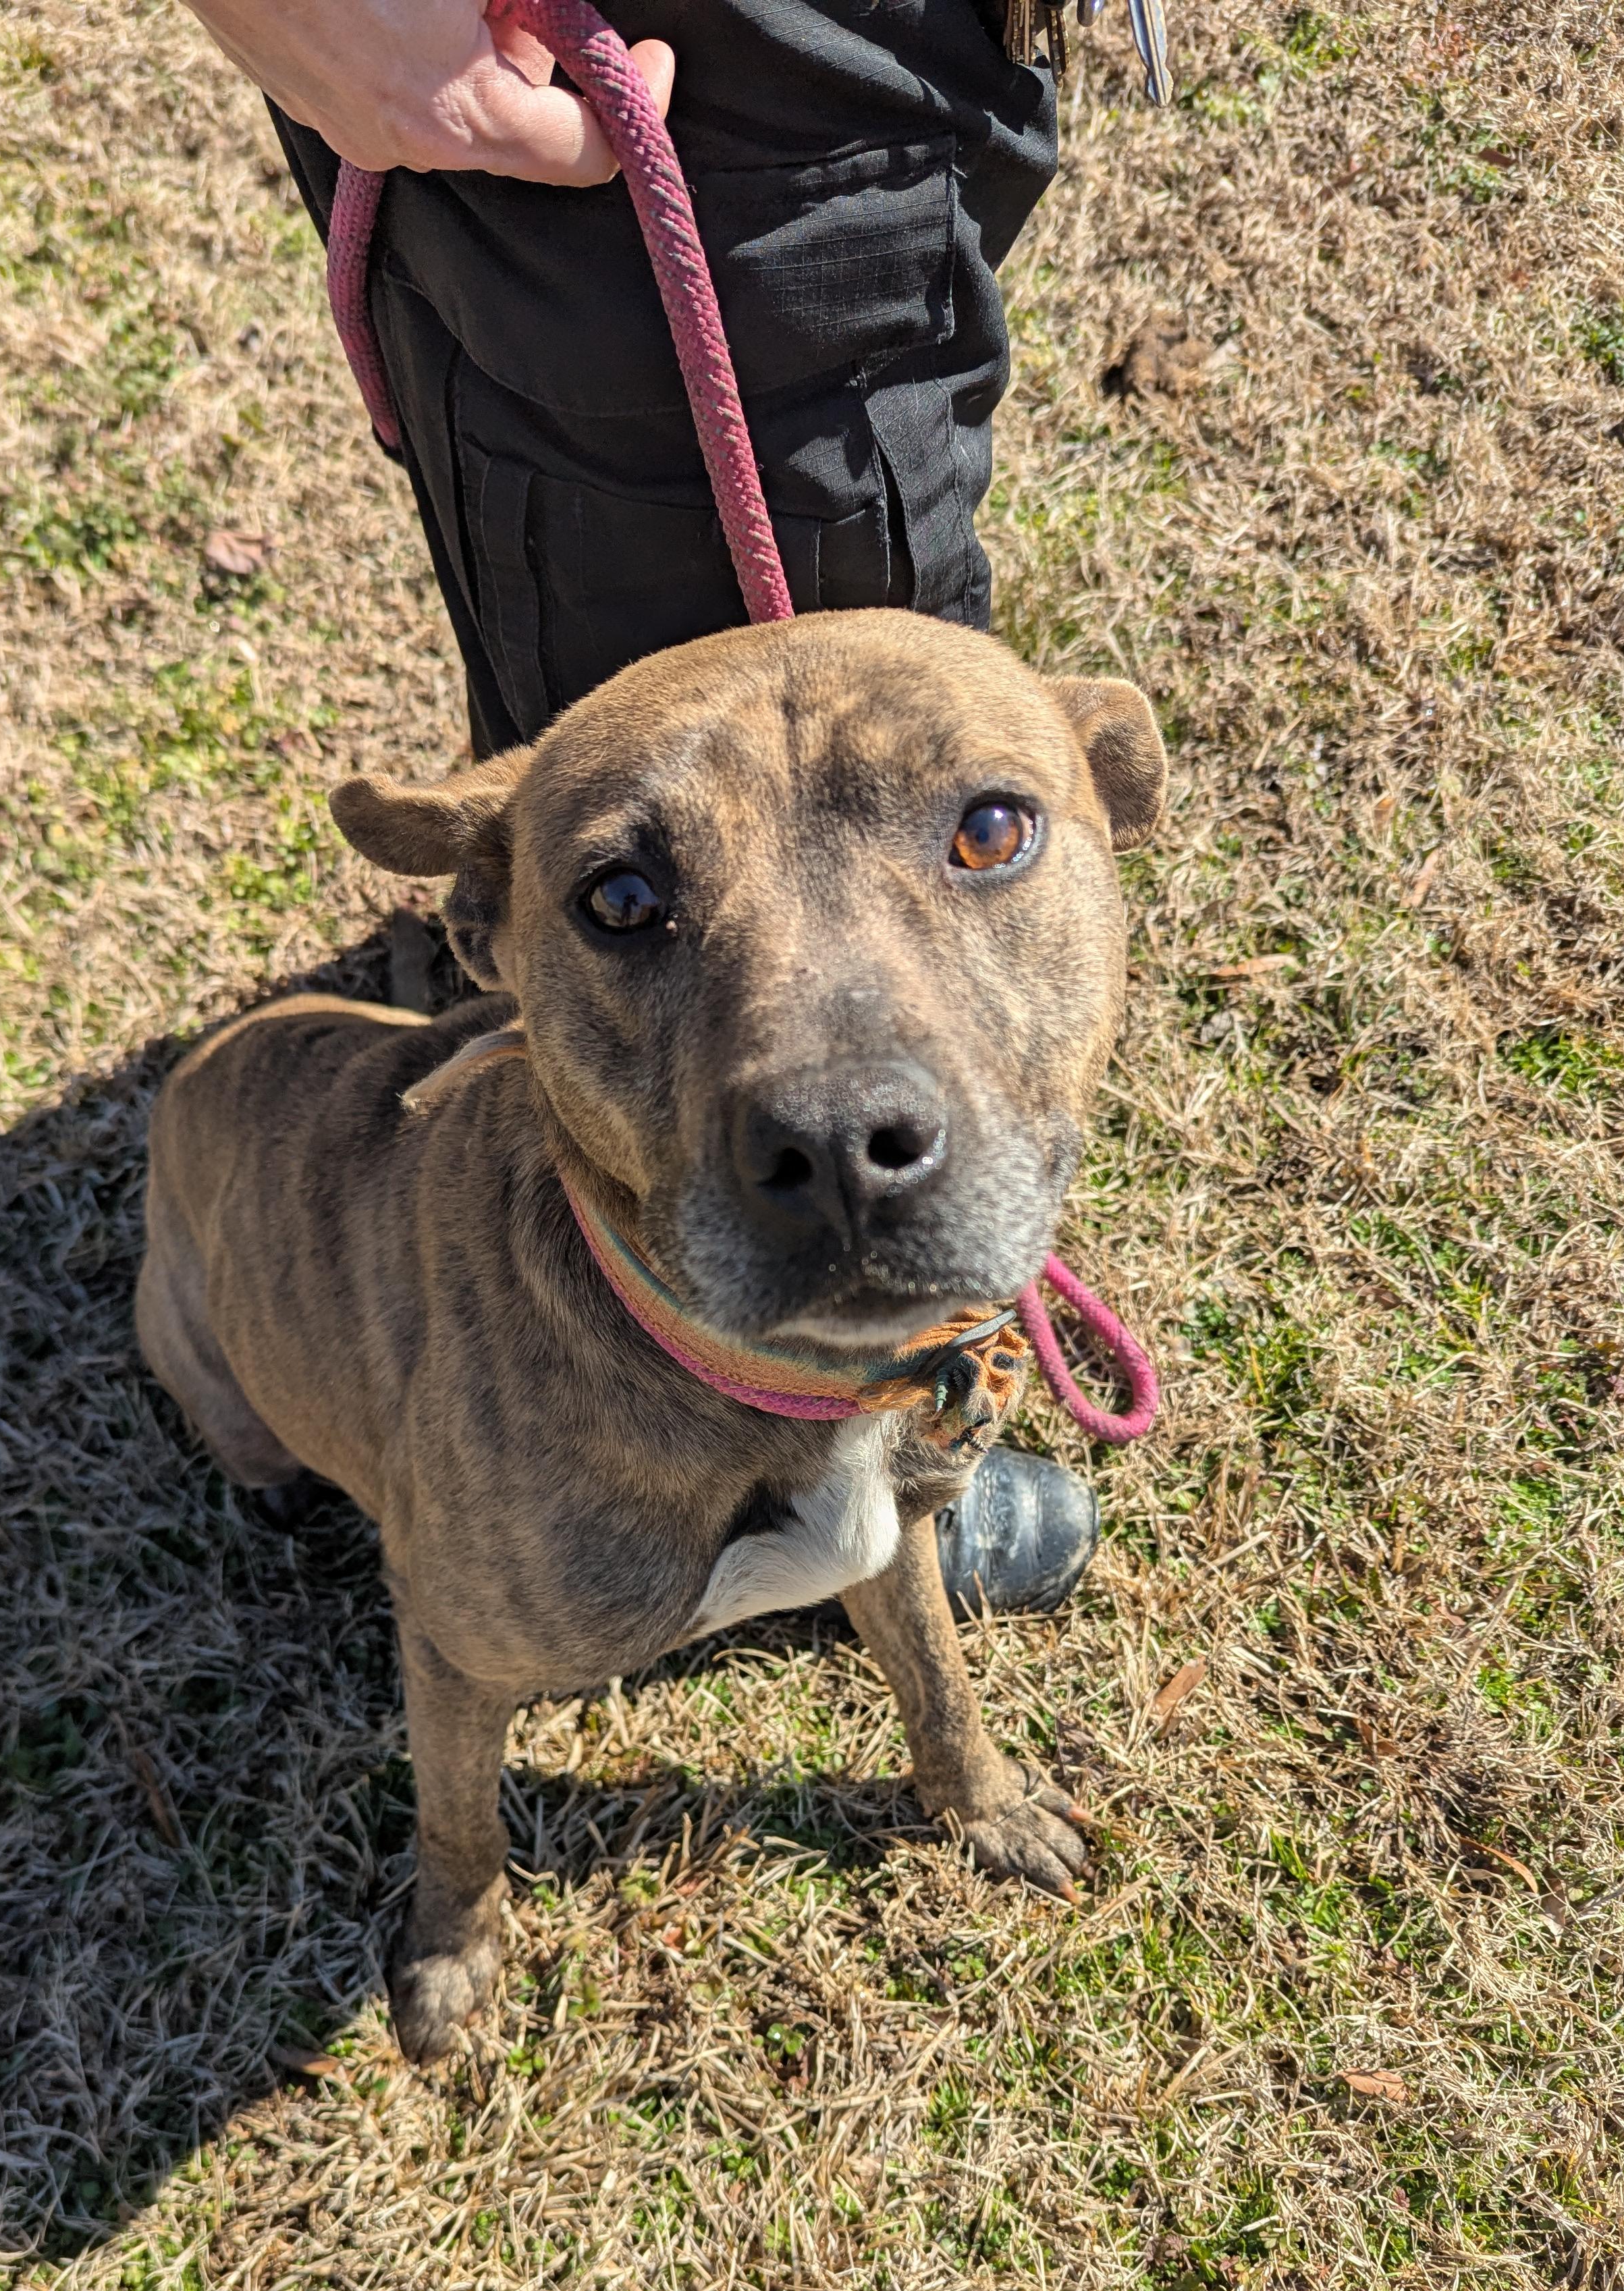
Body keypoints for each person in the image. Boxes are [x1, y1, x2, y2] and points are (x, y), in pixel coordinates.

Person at [181, 0, 1105, 1614]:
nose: (847, 1117)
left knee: (886, 623)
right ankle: (747, 1424)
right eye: (623, 909)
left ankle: (885, 1415)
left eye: (988, 839)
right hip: (633, 86)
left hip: (929, 67)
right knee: (645, 661)